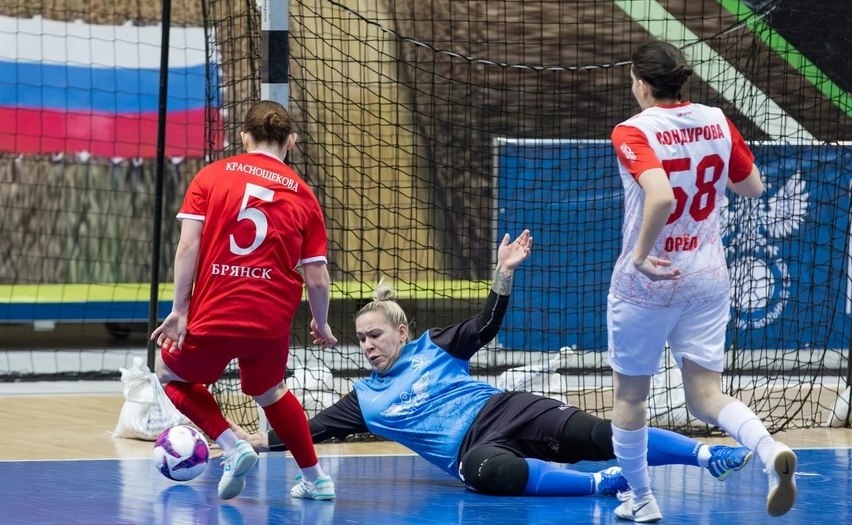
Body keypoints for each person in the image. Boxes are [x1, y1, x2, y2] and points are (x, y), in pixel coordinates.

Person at [231, 229, 753, 499]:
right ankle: (601, 485)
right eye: (361, 339)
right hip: (472, 449)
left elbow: (486, 325)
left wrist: (502, 274)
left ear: (401, 333)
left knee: (603, 434)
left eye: (376, 335)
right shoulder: (364, 401)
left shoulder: (434, 346)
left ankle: (707, 456)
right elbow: (307, 430)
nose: (367, 345)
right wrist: (251, 441)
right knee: (488, 474)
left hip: (506, 409)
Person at [606, 39, 797, 522]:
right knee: (706, 396)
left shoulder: (632, 131)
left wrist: (641, 256)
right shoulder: (716, 119)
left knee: (630, 397)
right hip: (706, 276)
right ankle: (769, 449)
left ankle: (642, 499)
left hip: (649, 284)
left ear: (642, 84)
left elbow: (661, 196)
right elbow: (752, 186)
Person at [150, 100, 337, 501]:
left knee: (168, 372)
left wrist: (179, 311)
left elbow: (188, 247)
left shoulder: (211, 176)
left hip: (215, 309)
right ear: (291, 141)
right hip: (271, 319)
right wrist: (321, 323)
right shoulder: (305, 196)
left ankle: (232, 446)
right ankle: (317, 479)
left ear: (244, 137)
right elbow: (317, 278)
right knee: (271, 392)